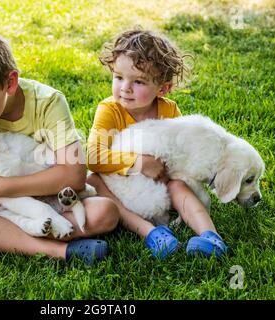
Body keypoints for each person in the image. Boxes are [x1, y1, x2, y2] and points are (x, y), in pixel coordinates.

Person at [0, 30, 120, 265]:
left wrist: (4, 187)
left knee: (104, 213)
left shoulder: (48, 103)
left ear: (9, 83)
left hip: (49, 197)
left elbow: (74, 176)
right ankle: (58, 251)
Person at [86, 28, 228, 259]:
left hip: (160, 184)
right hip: (121, 184)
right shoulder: (109, 110)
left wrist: (171, 172)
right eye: (118, 77)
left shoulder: (169, 110)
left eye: (138, 81)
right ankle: (150, 233)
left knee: (178, 186)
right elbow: (93, 157)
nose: (125, 88)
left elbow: (180, 152)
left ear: (162, 88)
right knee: (92, 180)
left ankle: (211, 237)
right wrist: (140, 164)